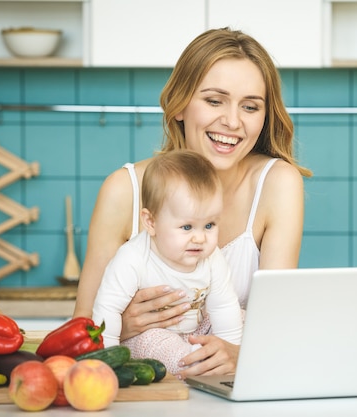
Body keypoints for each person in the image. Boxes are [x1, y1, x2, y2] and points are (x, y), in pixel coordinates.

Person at [73, 27, 312, 378]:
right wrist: (122, 328)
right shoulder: (124, 190)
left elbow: (276, 322)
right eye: (214, 101)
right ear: (180, 104)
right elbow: (81, 329)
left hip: (235, 393)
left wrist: (240, 353)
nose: (232, 121)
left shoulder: (277, 183)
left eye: (250, 106)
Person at [92, 150, 243, 374]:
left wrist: (231, 351)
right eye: (187, 227)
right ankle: (195, 366)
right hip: (148, 335)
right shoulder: (132, 257)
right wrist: (108, 362)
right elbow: (107, 309)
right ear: (151, 222)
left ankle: (219, 365)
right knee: (167, 348)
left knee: (242, 316)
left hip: (196, 329)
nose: (200, 238)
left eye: (210, 225)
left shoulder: (212, 257)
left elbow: (223, 306)